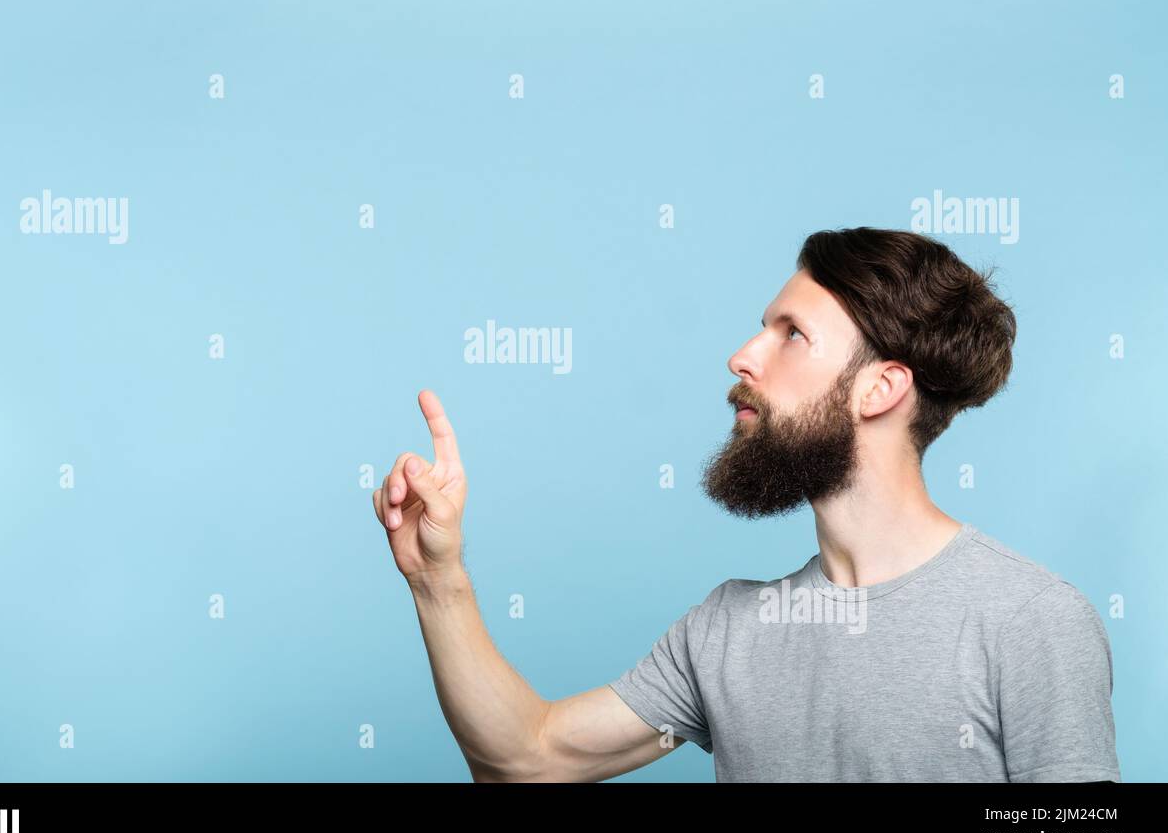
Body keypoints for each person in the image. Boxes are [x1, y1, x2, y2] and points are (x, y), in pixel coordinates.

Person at [371, 227, 1120, 782]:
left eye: (792, 333)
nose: (744, 356)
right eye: (764, 326)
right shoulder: (728, 629)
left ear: (881, 388)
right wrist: (437, 581)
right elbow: (525, 758)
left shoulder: (1031, 621)